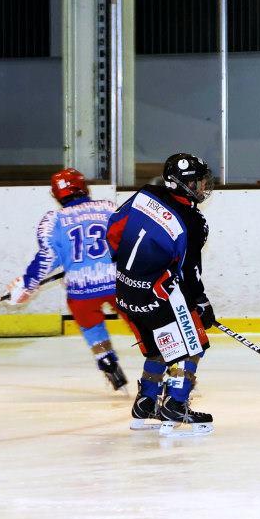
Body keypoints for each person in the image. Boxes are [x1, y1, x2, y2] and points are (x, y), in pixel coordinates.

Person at [106, 153, 216, 436]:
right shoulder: (193, 222)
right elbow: (189, 271)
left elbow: (113, 230)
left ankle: (146, 403)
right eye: (198, 182)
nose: (203, 187)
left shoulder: (145, 194)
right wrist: (201, 302)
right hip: (158, 295)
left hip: (124, 292)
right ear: (181, 183)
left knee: (158, 346)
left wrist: (130, 268)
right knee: (194, 344)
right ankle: (175, 404)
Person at [6, 168, 127, 391]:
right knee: (142, 321)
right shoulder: (108, 208)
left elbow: (48, 258)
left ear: (56, 195)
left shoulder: (53, 220)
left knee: (91, 326)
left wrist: (27, 284)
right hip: (118, 284)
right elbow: (128, 241)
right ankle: (163, 361)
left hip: (81, 291)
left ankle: (107, 362)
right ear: (84, 188)